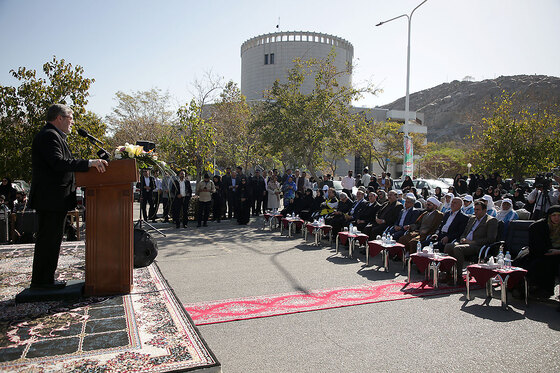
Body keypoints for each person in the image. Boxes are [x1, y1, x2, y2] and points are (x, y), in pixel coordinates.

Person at [28, 104, 107, 289]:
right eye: (70, 118)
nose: (72, 123)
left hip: (54, 199)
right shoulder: (49, 135)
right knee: (48, 240)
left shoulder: (54, 135)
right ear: (59, 118)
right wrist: (89, 163)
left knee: (52, 240)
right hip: (50, 199)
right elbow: (58, 163)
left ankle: (44, 279)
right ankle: (42, 282)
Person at [443, 200, 498, 284]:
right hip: (465, 242)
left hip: (477, 246)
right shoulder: (472, 218)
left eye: (478, 210)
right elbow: (464, 232)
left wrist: (472, 242)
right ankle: (448, 274)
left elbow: (491, 239)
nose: (475, 212)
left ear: (484, 210)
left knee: (458, 249)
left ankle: (459, 276)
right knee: (448, 246)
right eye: (475, 209)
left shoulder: (491, 221)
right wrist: (462, 238)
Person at [517, 205, 560, 298]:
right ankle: (530, 289)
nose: (557, 218)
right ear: (549, 216)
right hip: (540, 253)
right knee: (537, 264)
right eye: (554, 215)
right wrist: (547, 251)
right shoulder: (538, 226)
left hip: (557, 253)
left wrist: (557, 251)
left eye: (559, 215)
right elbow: (536, 246)